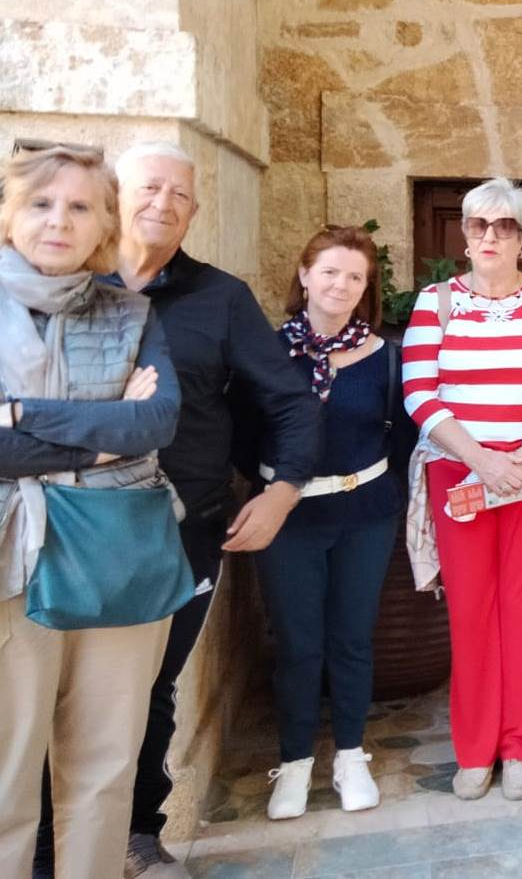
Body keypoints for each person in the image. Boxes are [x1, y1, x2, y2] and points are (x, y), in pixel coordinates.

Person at [30, 140, 321, 879]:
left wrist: (280, 490)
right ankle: (38, 853)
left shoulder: (219, 298)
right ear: (114, 195)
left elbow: (286, 400)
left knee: (150, 689)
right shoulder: (53, 282)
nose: (162, 203)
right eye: (148, 187)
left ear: (193, 212)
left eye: (179, 195)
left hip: (177, 534)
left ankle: (134, 834)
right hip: (51, 530)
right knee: (39, 700)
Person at [0, 145, 181, 879]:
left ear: (106, 221)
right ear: (10, 211)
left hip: (117, 557)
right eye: (42, 203)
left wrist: (20, 416)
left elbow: (157, 422)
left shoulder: (130, 311)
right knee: (7, 771)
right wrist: (101, 432)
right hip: (10, 563)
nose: (58, 221)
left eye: (80, 206)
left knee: (104, 766)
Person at [401, 177, 522, 802]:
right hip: (460, 475)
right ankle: (475, 749)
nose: (490, 236)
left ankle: (521, 746)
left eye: (504, 226)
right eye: (479, 225)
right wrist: (482, 460)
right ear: (464, 233)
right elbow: (420, 394)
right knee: (472, 611)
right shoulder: (437, 303)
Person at [250, 226, 415, 819]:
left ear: (366, 288)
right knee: (298, 642)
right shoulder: (267, 353)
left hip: (363, 513)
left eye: (354, 277)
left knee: (351, 638)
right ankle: (294, 764)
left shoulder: (385, 359)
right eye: (329, 272)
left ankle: (350, 754)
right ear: (304, 275)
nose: (340, 285)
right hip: (289, 518)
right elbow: (247, 435)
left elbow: (402, 438)